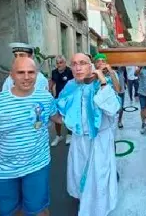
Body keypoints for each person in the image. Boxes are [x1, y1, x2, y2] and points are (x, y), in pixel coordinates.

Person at [0, 57, 60, 216]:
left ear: (37, 74)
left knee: (38, 211)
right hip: (4, 171)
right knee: (12, 212)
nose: (26, 77)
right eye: (21, 72)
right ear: (11, 75)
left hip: (37, 165)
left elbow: (59, 118)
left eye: (31, 72)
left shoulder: (45, 98)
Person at [56, 53, 121, 216]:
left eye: (82, 63)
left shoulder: (101, 83)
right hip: (79, 139)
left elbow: (113, 108)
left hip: (99, 140)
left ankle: (99, 209)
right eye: (74, 64)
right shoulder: (70, 85)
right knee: (79, 173)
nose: (78, 67)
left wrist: (103, 81)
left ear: (90, 65)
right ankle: (83, 202)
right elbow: (61, 108)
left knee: (99, 176)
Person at [50, 55, 74, 146]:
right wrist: (49, 91)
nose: (59, 64)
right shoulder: (54, 72)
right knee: (57, 116)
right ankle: (58, 136)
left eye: (61, 62)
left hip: (69, 98)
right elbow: (52, 82)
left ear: (64, 63)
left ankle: (69, 134)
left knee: (68, 116)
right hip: (58, 98)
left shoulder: (70, 71)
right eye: (57, 63)